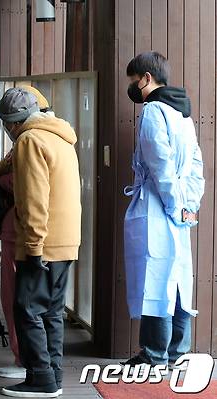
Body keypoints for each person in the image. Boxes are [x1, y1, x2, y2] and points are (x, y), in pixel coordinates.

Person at [0, 88, 81, 398]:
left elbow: (33, 201)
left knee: (27, 308)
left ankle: (41, 379)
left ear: (11, 124)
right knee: (52, 311)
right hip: (66, 239)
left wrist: (32, 248)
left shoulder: (29, 141)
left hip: (42, 243)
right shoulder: (60, 135)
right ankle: (53, 375)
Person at [121, 52, 204, 370]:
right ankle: (178, 350)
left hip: (159, 206)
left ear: (145, 78)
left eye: (133, 81)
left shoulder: (154, 110)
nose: (132, 87)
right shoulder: (183, 111)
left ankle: (154, 352)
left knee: (156, 277)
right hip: (181, 205)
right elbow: (196, 164)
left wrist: (173, 206)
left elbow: (160, 165)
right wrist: (189, 207)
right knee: (179, 277)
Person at [0, 85, 51, 381]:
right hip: (42, 232)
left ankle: (24, 359)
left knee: (17, 298)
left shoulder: (27, 140)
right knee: (38, 301)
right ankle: (36, 360)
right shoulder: (55, 133)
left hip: (21, 231)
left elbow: (23, 184)